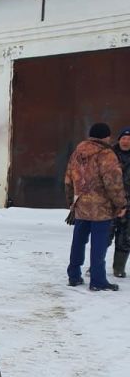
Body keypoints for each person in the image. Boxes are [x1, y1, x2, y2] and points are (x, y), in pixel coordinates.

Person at [65, 122, 126, 292]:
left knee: (78, 241)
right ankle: (98, 281)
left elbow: (69, 178)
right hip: (101, 208)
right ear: (106, 136)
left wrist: (71, 201)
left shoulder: (78, 152)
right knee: (99, 243)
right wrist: (120, 204)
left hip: (81, 205)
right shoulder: (107, 154)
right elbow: (113, 182)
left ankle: (74, 275)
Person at [112, 126, 130, 277]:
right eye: (124, 138)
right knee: (103, 237)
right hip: (109, 203)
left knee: (125, 237)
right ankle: (96, 266)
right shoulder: (109, 154)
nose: (126, 141)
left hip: (129, 204)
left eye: (129, 139)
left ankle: (119, 268)